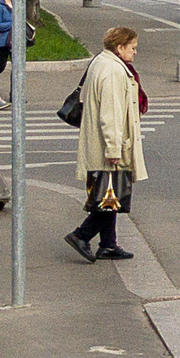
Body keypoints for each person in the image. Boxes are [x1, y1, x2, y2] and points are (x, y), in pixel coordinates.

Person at [65, 26, 148, 264]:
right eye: (132, 47)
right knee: (112, 197)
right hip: (108, 145)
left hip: (99, 142)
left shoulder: (102, 62)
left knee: (109, 192)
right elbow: (110, 114)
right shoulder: (113, 71)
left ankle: (108, 244)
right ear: (120, 47)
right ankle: (81, 235)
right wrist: (114, 148)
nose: (135, 52)